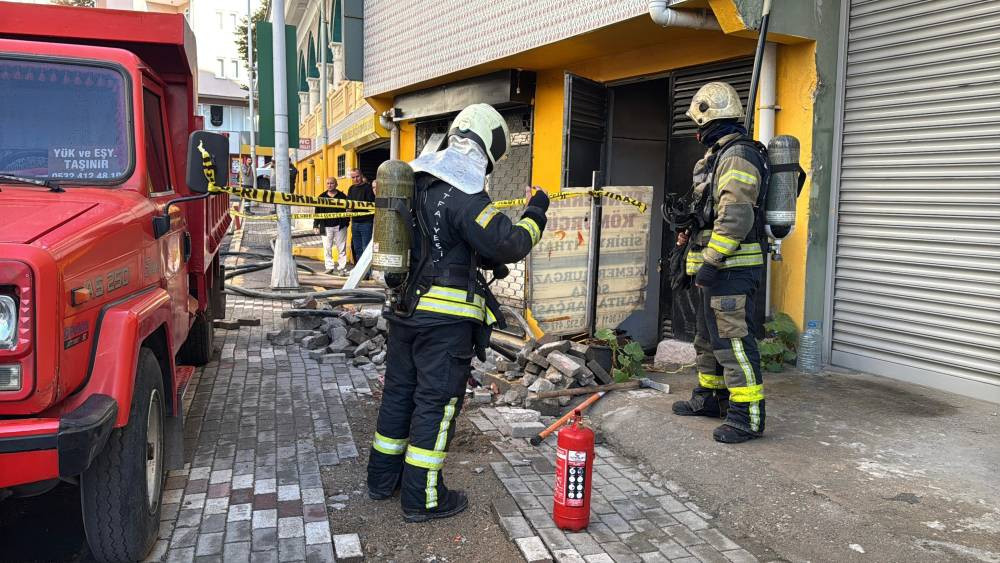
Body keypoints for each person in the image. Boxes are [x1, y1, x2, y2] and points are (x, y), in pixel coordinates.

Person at [367, 103, 549, 522]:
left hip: (404, 313)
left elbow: (446, 245)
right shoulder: (464, 195)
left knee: (399, 394)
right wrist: (536, 210)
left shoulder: (415, 181)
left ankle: (382, 480)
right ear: (488, 146)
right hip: (444, 325)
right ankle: (423, 498)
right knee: (436, 404)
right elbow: (509, 243)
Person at [672, 82, 767, 444]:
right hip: (715, 269)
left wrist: (711, 260)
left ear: (709, 119)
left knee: (733, 342)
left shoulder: (737, 156)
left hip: (731, 269)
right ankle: (711, 397)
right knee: (708, 338)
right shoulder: (719, 155)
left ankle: (747, 416)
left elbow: (736, 216)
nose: (696, 132)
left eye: (698, 124)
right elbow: (712, 212)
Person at [313, 178, 349, 274]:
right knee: (327, 248)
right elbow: (317, 212)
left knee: (341, 248)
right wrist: (315, 225)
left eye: (332, 183)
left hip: (340, 226)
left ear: (336, 184)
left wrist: (346, 222)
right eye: (328, 183)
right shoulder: (321, 197)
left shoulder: (342, 196)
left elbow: (348, 210)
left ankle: (342, 268)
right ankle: (329, 267)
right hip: (326, 226)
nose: (329, 185)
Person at [347, 168, 376, 263]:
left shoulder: (368, 188)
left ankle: (367, 270)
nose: (355, 179)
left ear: (361, 175)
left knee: (366, 248)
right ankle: (359, 269)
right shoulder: (351, 188)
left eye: (357, 176)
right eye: (353, 177)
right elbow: (348, 203)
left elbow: (372, 204)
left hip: (366, 223)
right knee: (357, 248)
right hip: (354, 222)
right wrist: (348, 209)